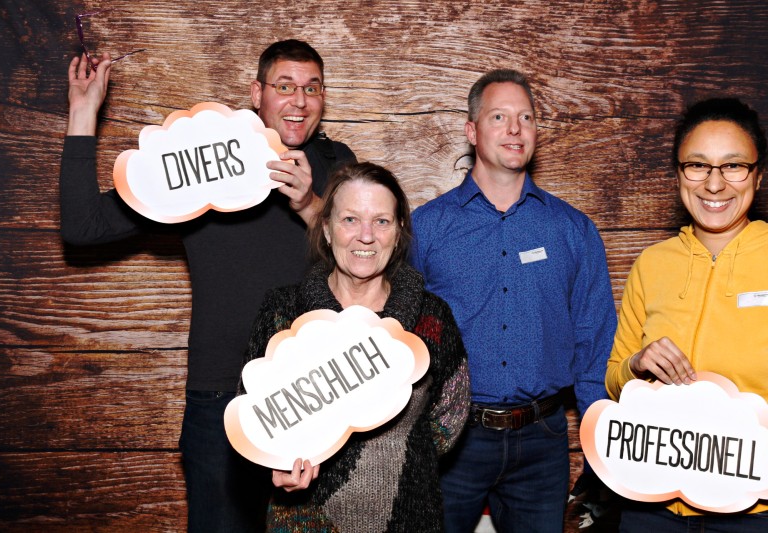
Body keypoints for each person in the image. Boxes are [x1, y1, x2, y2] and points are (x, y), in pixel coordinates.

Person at [60, 40, 356, 532]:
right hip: (220, 401)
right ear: (256, 93)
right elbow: (83, 226)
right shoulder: (204, 161)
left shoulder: (336, 163)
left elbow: (373, 263)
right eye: (284, 86)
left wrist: (309, 204)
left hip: (314, 395)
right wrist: (83, 111)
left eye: (312, 88)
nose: (299, 101)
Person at [410, 69, 617, 532]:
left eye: (526, 117)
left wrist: (598, 442)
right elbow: (399, 332)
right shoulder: (427, 227)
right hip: (451, 436)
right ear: (472, 131)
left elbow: (594, 340)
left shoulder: (571, 229)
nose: (515, 129)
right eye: (499, 116)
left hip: (542, 441)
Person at [241, 161, 470, 532]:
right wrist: (275, 461)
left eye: (381, 221)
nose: (366, 236)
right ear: (327, 229)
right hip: (303, 518)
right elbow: (253, 414)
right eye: (350, 220)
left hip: (409, 517)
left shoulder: (432, 317)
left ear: (398, 234)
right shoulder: (283, 312)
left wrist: (400, 456)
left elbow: (450, 415)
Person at [606, 97, 768, 532]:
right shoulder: (652, 263)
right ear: (678, 173)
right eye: (697, 165)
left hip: (753, 511)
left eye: (733, 166)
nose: (714, 185)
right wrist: (637, 365)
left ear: (758, 174)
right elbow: (614, 379)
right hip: (653, 505)